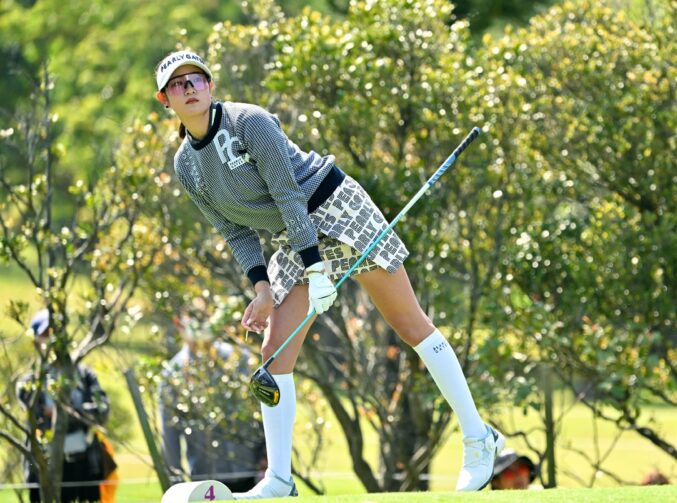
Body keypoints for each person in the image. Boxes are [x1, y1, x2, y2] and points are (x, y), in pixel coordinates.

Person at [154, 50, 504, 499]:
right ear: (165, 99)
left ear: (210, 86)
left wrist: (316, 268)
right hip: (290, 233)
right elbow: (234, 230)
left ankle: (479, 438)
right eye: (177, 84)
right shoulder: (186, 164)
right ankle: (279, 480)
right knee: (274, 352)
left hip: (334, 205)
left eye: (196, 79)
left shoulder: (248, 121)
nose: (189, 88)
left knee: (408, 324)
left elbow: (288, 192)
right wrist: (262, 289)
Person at [159, 299, 267, 492]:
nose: (200, 323)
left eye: (204, 316)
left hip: (252, 478)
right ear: (178, 323)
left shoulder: (240, 360)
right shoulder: (173, 374)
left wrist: (267, 459)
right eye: (194, 317)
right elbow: (170, 438)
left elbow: (263, 411)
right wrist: (175, 485)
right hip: (205, 484)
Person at [16, 309, 116, 503]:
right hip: (44, 469)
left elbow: (102, 410)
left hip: (84, 468)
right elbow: (36, 417)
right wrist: (76, 415)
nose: (53, 339)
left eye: (57, 332)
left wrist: (64, 412)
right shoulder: (29, 384)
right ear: (35, 341)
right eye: (47, 333)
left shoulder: (85, 376)